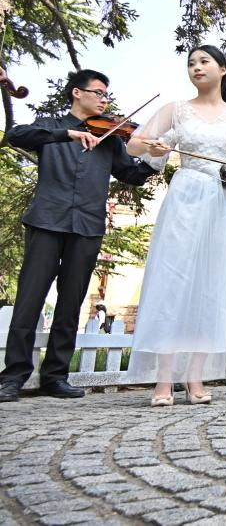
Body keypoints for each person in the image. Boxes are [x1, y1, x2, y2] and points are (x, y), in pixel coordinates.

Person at [126, 45, 226, 407]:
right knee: (175, 281)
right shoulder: (175, 109)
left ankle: (195, 377)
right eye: (191, 63)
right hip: (188, 195)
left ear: (223, 69)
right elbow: (134, 145)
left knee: (213, 285)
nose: (196, 67)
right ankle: (163, 380)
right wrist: (156, 145)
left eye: (204, 61)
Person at [0, 69, 157, 404]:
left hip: (87, 225)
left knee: (71, 303)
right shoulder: (52, 127)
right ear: (76, 93)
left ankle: (55, 376)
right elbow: (16, 135)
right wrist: (67, 135)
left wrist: (155, 159)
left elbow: (131, 174)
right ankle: (13, 376)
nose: (104, 100)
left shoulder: (110, 137)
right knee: (29, 299)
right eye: (98, 93)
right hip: (47, 220)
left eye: (106, 95)